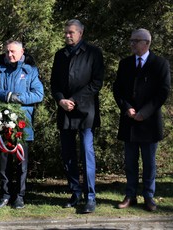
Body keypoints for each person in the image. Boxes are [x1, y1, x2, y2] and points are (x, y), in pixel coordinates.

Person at [113, 28, 171, 212]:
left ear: (146, 43)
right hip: (129, 120)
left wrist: (143, 113)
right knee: (130, 162)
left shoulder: (160, 64)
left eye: (135, 41)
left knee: (149, 163)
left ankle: (148, 196)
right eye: (131, 40)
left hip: (149, 122)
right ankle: (130, 195)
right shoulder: (125, 64)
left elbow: (163, 92)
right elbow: (118, 90)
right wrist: (127, 107)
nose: (131, 44)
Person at [50, 19, 104, 213]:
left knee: (87, 153)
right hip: (65, 111)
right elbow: (54, 84)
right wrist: (61, 100)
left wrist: (74, 99)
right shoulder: (60, 55)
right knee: (68, 155)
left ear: (81, 32)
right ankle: (75, 193)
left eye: (71, 32)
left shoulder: (93, 53)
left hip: (85, 111)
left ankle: (90, 196)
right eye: (65, 32)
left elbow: (97, 83)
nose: (67, 35)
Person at [0, 40, 44, 209]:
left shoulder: (30, 71)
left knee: (21, 161)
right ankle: (5, 195)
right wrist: (7, 96)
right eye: (8, 52)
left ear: (22, 52)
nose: (10, 55)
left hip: (22, 124)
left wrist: (19, 98)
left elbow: (38, 94)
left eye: (13, 52)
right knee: (4, 162)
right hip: (2, 123)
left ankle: (20, 196)